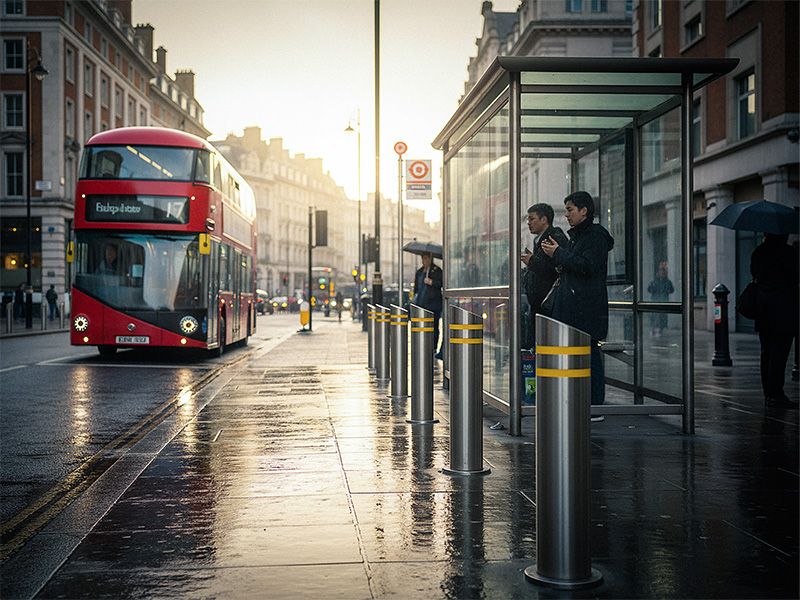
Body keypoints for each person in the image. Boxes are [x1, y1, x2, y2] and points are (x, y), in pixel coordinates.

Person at [541, 191, 614, 419]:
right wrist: (557, 255)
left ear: (584, 210)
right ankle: (580, 402)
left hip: (587, 308)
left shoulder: (595, 236)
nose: (567, 215)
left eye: (570, 210)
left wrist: (559, 253)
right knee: (576, 354)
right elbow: (572, 266)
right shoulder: (577, 237)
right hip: (574, 306)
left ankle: (594, 406)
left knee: (590, 354)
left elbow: (587, 266)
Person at [750, 233, 799, 408]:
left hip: (764, 310)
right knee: (780, 354)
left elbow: (754, 273)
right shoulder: (789, 253)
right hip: (784, 310)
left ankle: (769, 393)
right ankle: (776, 393)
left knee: (767, 352)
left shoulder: (759, 252)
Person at [521, 203, 568, 347]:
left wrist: (532, 261)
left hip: (549, 306)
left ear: (544, 220)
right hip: (539, 304)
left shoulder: (553, 238)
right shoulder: (540, 239)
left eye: (532, 219)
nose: (528, 223)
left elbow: (555, 270)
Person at [413, 252, 443, 358]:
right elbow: (416, 289)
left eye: (427, 259)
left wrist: (431, 282)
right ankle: (424, 346)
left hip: (434, 304)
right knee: (422, 327)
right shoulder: (419, 272)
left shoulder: (437, 270)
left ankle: (433, 347)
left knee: (434, 327)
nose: (425, 261)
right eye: (423, 259)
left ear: (430, 259)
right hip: (422, 304)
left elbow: (441, 283)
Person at [647, 260, 674, 336]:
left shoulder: (667, 282)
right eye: (661, 272)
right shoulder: (655, 281)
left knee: (662, 316)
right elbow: (649, 289)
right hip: (656, 301)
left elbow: (671, 290)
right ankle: (654, 328)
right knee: (655, 315)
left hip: (663, 301)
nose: (662, 273)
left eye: (663, 272)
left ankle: (659, 329)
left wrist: (667, 290)